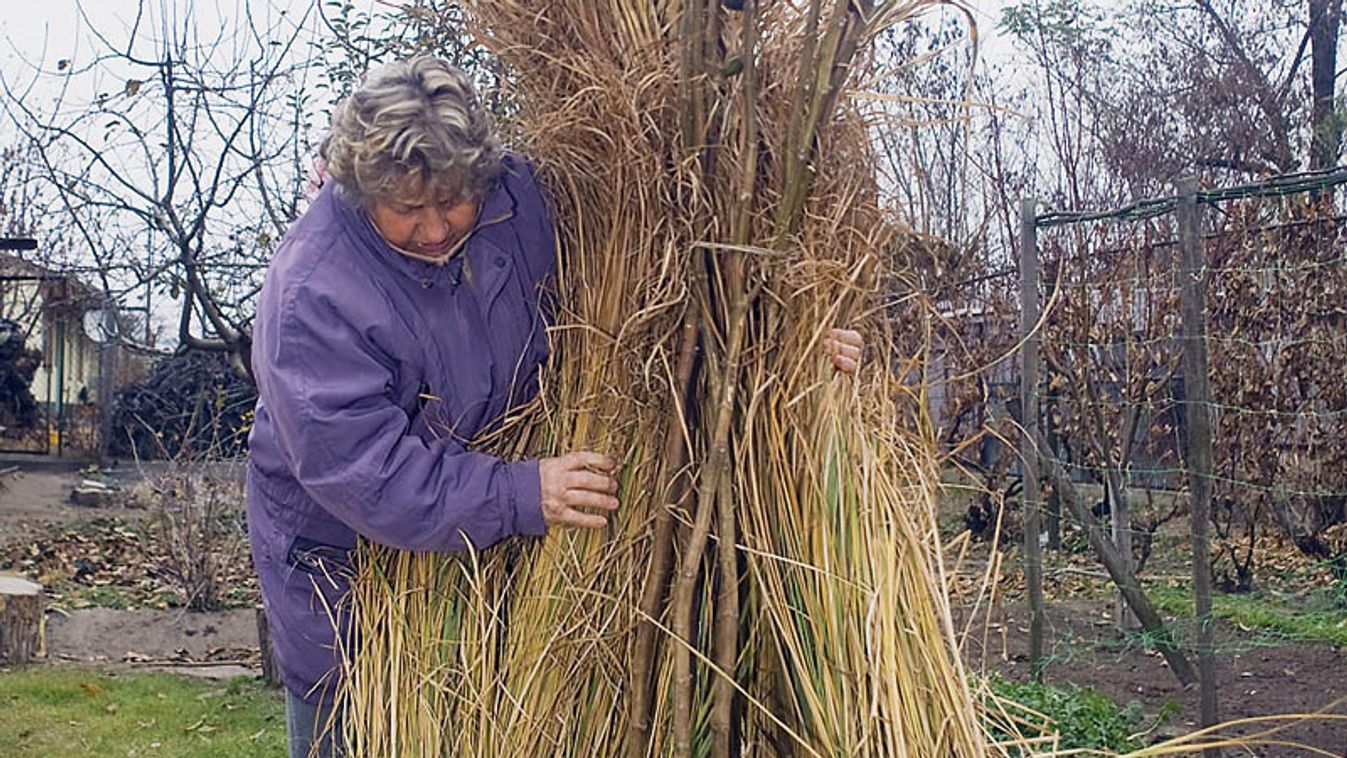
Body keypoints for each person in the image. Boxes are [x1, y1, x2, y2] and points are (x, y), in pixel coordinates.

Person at [246, 56, 863, 758]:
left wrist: (784, 341)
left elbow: (662, 297)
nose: (435, 228)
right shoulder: (312, 294)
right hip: (355, 578)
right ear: (360, 191)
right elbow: (364, 472)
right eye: (407, 210)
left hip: (505, 565)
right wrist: (520, 491)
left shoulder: (520, 198)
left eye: (452, 200)